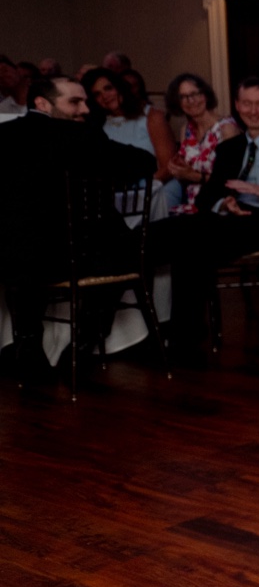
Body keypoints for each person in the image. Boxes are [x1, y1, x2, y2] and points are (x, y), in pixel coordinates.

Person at [0, 77, 157, 382]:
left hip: (9, 262)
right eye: (75, 102)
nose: (85, 109)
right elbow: (144, 162)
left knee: (28, 257)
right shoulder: (79, 135)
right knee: (133, 251)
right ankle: (86, 340)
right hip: (65, 259)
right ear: (42, 104)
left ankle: (28, 342)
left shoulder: (3, 135)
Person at [154, 77, 259, 356]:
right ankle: (181, 330)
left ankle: (183, 333)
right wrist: (224, 202)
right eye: (247, 104)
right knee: (175, 230)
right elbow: (208, 196)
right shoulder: (230, 148)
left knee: (191, 239)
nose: (253, 111)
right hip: (231, 220)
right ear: (237, 105)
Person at [82, 67, 176, 184]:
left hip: (159, 185)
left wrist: (139, 189)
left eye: (108, 88)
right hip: (118, 192)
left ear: (119, 87)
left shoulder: (151, 117)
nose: (105, 96)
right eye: (97, 94)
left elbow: (169, 167)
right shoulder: (98, 126)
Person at [163, 72, 239, 215]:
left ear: (205, 95)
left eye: (195, 94)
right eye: (183, 97)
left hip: (219, 206)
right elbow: (185, 175)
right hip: (190, 204)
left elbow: (231, 182)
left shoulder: (226, 129)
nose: (190, 101)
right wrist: (177, 169)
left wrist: (193, 176)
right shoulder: (186, 130)